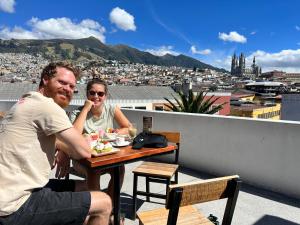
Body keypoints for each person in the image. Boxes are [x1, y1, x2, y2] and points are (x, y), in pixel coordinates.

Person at [0, 62, 112, 225]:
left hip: (14, 189)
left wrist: (62, 149)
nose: (67, 89)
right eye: (62, 82)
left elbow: (57, 141)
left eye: (72, 86)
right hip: (13, 204)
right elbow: (84, 151)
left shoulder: (25, 101)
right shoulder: (47, 106)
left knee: (85, 187)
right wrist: (70, 148)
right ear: (45, 80)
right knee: (104, 202)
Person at [70, 78, 131, 202]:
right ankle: (96, 209)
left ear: (105, 96)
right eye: (92, 93)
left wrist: (116, 132)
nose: (96, 96)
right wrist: (86, 109)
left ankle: (110, 206)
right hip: (82, 159)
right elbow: (73, 136)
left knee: (119, 168)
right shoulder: (77, 113)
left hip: (106, 154)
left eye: (100, 94)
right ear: (87, 94)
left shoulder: (111, 109)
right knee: (94, 169)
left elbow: (129, 128)